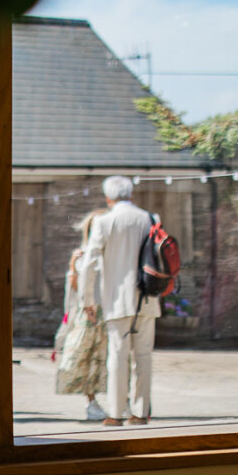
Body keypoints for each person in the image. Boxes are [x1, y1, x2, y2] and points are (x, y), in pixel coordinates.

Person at [79, 175, 159, 427]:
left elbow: (90, 263)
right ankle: (140, 411)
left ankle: (115, 413)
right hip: (147, 296)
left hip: (117, 299)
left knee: (117, 355)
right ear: (131, 194)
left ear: (108, 197)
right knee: (144, 356)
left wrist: (87, 299)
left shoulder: (104, 221)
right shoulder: (150, 218)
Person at [54, 209, 109, 421]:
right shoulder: (82, 253)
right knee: (85, 358)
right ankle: (92, 403)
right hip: (87, 314)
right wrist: (73, 267)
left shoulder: (109, 253)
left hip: (106, 311)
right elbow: (74, 289)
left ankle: (120, 401)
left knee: (108, 358)